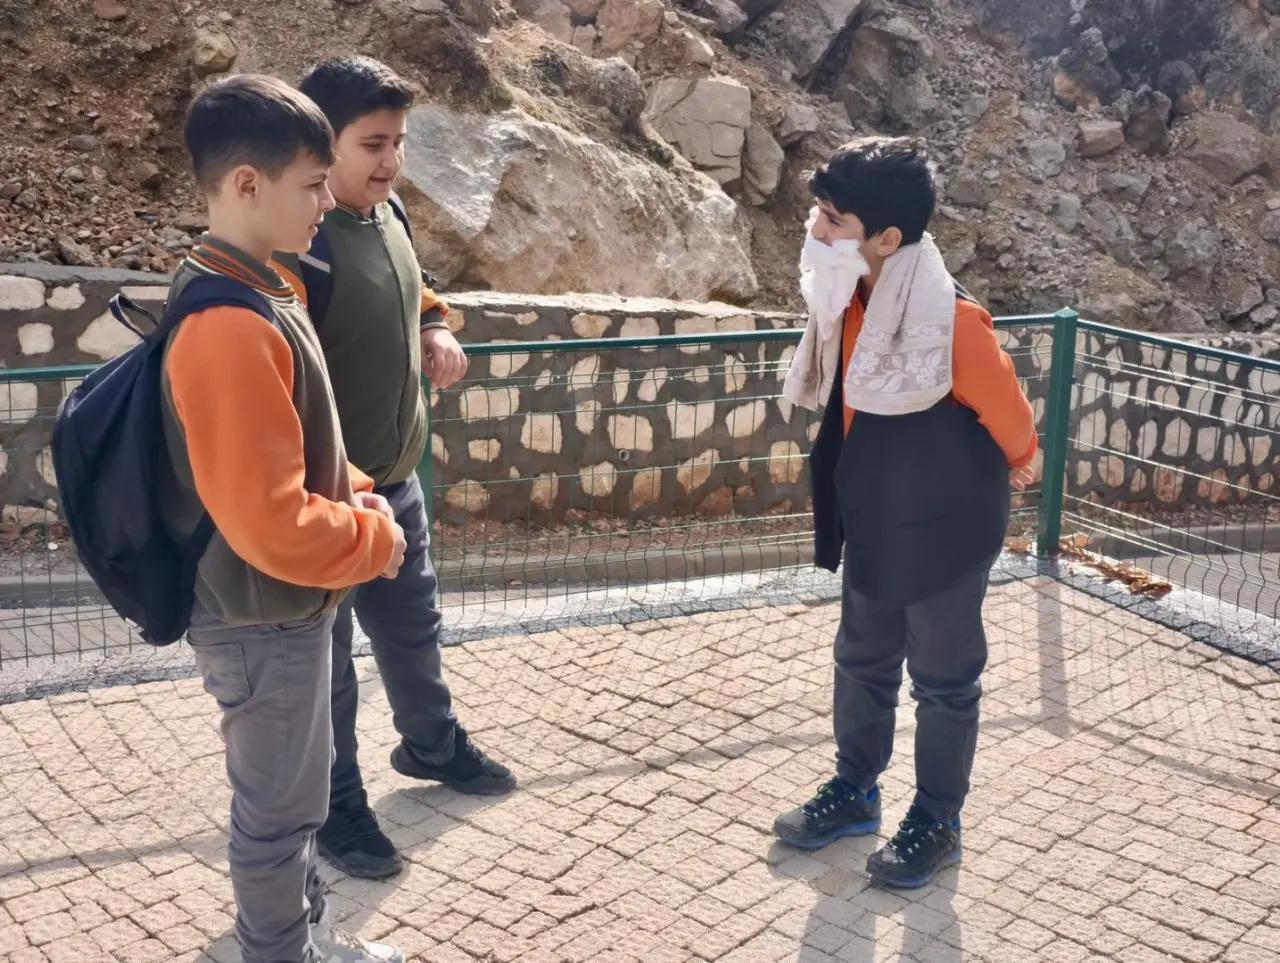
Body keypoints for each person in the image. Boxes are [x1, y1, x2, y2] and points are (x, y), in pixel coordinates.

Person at [166, 75, 409, 962]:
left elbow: (302, 438)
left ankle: (305, 935)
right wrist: (375, 537)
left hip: (279, 605)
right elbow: (270, 521)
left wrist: (354, 489)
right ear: (246, 184)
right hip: (260, 613)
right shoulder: (230, 323)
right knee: (277, 815)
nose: (326, 201)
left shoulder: (259, 284)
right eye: (311, 184)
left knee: (295, 800)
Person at [272, 56, 516, 882]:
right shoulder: (300, 248)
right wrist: (331, 493)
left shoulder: (390, 212)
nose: (391, 161)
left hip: (398, 483)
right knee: (330, 668)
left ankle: (430, 745)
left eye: (398, 142)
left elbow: (413, 289)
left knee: (413, 629)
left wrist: (434, 327)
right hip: (332, 505)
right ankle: (338, 804)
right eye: (373, 144)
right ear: (320, 144)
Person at [773, 137, 1037, 889]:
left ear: (887, 239)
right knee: (862, 658)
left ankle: (937, 821)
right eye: (819, 213)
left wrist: (1023, 458)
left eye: (834, 219)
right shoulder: (847, 299)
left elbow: (1012, 419)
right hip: (877, 513)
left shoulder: (951, 320)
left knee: (944, 679)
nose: (816, 229)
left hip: (946, 527)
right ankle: (856, 790)